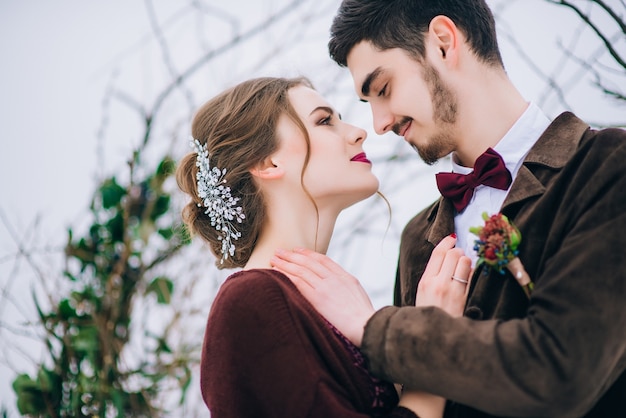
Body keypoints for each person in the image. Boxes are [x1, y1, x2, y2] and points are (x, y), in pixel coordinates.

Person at [271, 1, 626, 417]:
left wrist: (373, 328)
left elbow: (561, 372)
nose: (379, 123)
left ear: (443, 42)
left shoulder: (606, 166)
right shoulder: (417, 239)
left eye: (382, 89)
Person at [175, 76, 473, 417]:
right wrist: (430, 353)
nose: (358, 132)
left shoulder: (323, 300)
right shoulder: (249, 302)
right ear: (267, 163)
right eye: (324, 121)